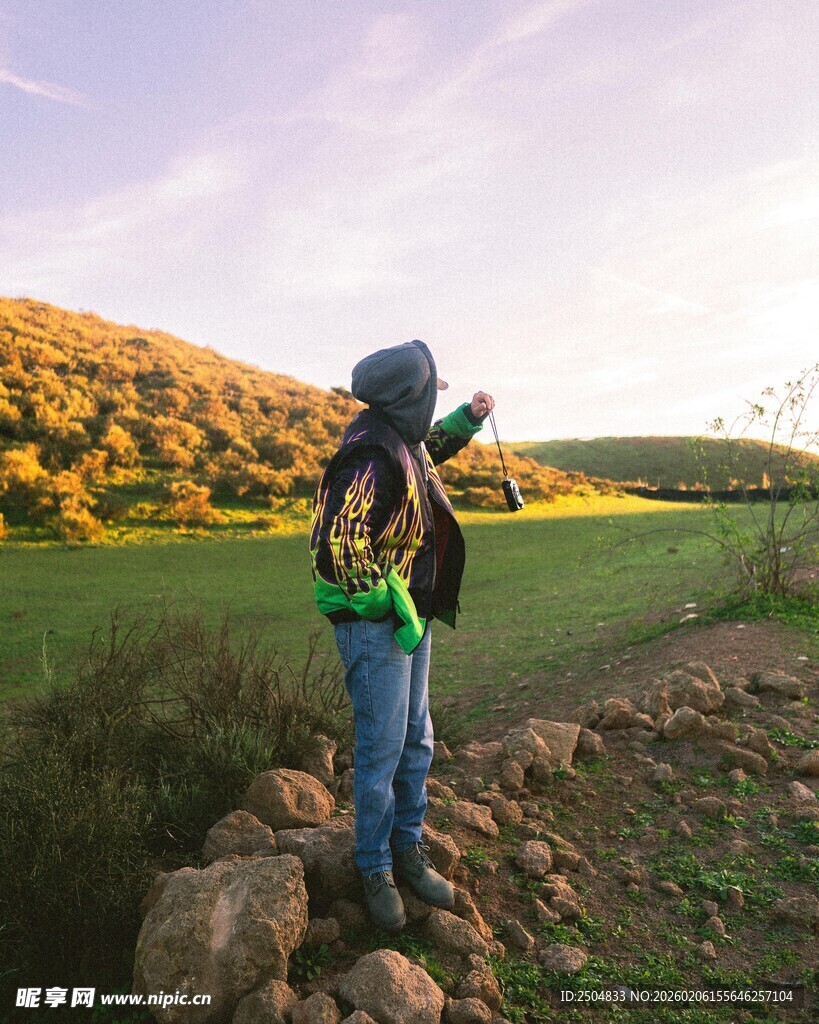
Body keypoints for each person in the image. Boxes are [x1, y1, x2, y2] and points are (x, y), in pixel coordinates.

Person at [309, 339, 494, 931]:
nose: (431, 405)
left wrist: (468, 418)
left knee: (416, 740)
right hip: (378, 623)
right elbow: (339, 542)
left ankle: (407, 850)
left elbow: (428, 449)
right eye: (432, 392)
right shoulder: (369, 455)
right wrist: (386, 603)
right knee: (382, 750)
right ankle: (373, 866)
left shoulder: (400, 438)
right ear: (406, 398)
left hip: (409, 614)